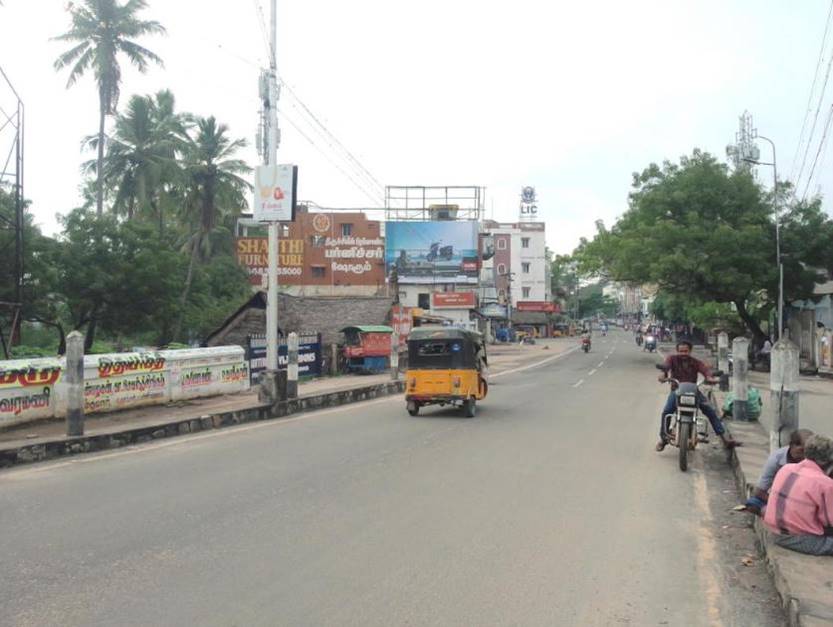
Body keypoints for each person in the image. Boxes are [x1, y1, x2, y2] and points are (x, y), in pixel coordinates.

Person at [655, 339, 739, 451]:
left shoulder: (695, 362)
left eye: (686, 351)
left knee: (710, 411)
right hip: (677, 391)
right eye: (681, 351)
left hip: (694, 392)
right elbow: (666, 367)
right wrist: (663, 375)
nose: (683, 353)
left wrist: (710, 378)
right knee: (667, 412)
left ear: (690, 351)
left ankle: (724, 439)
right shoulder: (672, 359)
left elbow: (705, 370)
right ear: (677, 351)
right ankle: (663, 439)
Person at [763, 434, 833, 556]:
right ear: (828, 461)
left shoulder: (786, 469)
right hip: (799, 539)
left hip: (775, 532)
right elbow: (829, 523)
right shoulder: (825, 484)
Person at [744, 429, 815, 515]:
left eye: (807, 452)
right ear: (792, 445)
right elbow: (759, 491)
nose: (804, 455)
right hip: (782, 499)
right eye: (802, 450)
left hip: (806, 501)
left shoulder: (815, 458)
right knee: (753, 503)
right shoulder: (776, 459)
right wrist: (783, 504)